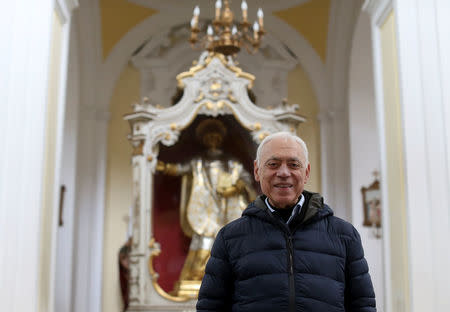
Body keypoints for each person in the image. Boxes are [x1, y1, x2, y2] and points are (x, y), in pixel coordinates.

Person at [196, 131, 376, 312]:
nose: (283, 173)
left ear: (306, 173)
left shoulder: (344, 235)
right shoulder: (230, 238)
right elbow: (210, 307)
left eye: (293, 164)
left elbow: (363, 306)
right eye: (273, 164)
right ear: (257, 171)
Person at [156, 118, 255, 297]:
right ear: (204, 140)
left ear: (220, 139)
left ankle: (228, 281)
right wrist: (164, 166)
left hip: (226, 211)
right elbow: (180, 169)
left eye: (215, 136)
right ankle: (195, 278)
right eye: (208, 137)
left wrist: (236, 187)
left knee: (229, 247)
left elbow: (247, 179)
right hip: (206, 211)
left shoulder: (232, 163)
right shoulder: (198, 162)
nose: (212, 140)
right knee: (203, 246)